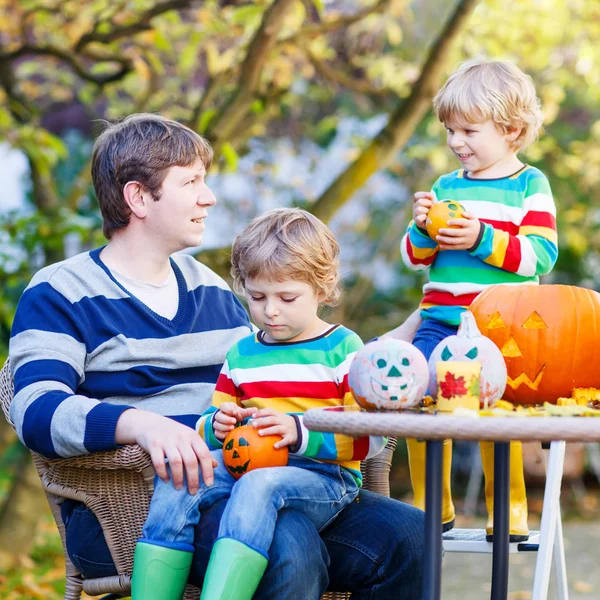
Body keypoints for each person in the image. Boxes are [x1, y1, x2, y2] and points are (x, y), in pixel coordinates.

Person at [9, 113, 424, 599]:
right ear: (139, 198)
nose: (209, 197)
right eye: (191, 182)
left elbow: (295, 367)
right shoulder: (62, 291)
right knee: (286, 544)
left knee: (411, 539)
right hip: (135, 502)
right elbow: (33, 409)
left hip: (263, 476)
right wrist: (141, 425)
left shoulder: (209, 288)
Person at [134, 208, 388, 599]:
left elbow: (369, 437)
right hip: (246, 465)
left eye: (287, 297)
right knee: (179, 477)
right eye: (257, 296)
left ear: (323, 287)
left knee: (259, 484)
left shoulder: (344, 349)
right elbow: (208, 421)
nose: (270, 310)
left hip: (325, 477)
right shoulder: (242, 354)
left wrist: (298, 432)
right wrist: (217, 425)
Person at [401, 59, 558, 541]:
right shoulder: (448, 186)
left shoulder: (529, 186)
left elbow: (540, 255)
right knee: (419, 405)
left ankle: (508, 507)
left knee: (495, 415)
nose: (455, 142)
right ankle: (433, 505)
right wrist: (423, 227)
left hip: (500, 329)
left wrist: (480, 238)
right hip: (439, 322)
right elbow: (414, 256)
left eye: (468, 130)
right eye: (450, 130)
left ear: (511, 130)